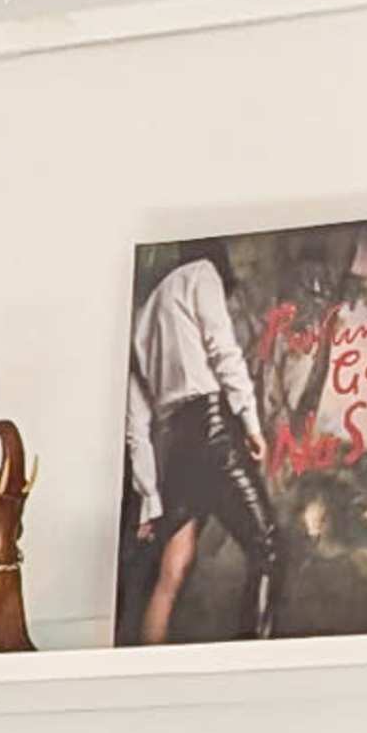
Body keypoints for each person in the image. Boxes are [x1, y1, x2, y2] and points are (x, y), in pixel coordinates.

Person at [121, 241, 281, 644]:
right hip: (212, 429)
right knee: (268, 547)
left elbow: (135, 425)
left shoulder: (141, 316)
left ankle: (145, 674)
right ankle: (252, 667)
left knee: (170, 573)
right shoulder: (202, 274)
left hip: (173, 444)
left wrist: (150, 498)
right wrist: (250, 422)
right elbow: (223, 349)